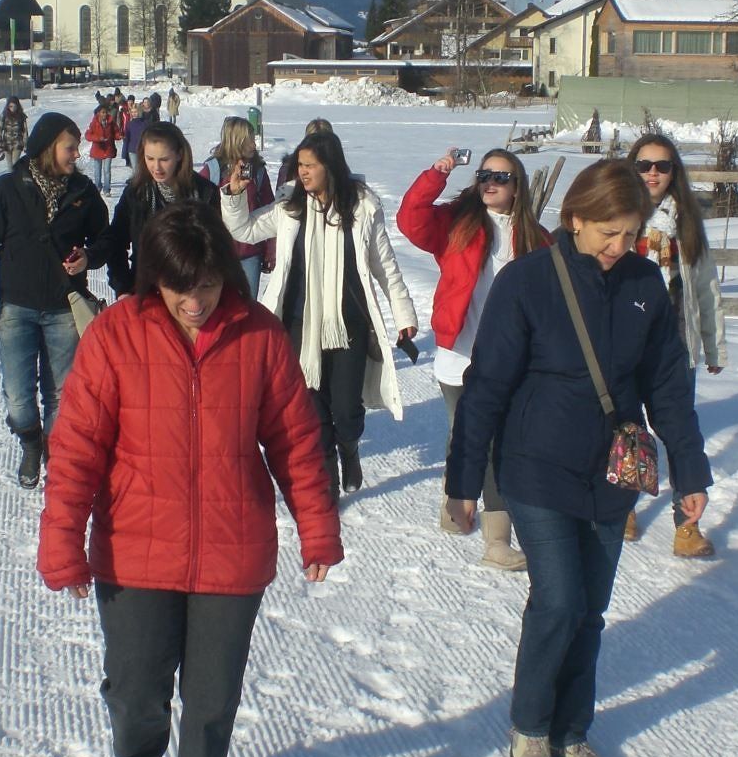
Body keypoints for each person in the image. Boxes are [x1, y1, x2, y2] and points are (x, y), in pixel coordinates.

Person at [37, 203, 341, 757]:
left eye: (207, 285)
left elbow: (295, 440)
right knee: (137, 685)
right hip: (135, 547)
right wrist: (63, 542)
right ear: (155, 279)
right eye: (180, 288)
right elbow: (76, 447)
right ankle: (139, 756)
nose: (196, 302)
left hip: (233, 549)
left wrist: (318, 527)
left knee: (211, 700)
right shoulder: (116, 335)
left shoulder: (259, 335)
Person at [444, 159, 712, 757]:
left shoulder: (645, 284)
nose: (619, 247)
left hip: (611, 472)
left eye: (630, 233)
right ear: (574, 220)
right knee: (560, 599)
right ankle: (532, 723)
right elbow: (486, 387)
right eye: (607, 233)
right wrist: (463, 483)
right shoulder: (528, 282)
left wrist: (690, 472)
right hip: (535, 466)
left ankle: (572, 728)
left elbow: (668, 386)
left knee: (590, 608)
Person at [221, 130, 417, 495]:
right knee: (312, 406)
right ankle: (327, 479)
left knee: (346, 409)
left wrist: (404, 315)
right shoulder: (290, 206)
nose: (303, 172)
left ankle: (349, 446)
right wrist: (234, 195)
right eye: (300, 165)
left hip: (348, 323)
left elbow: (385, 267)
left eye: (310, 165)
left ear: (331, 166)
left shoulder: (362, 207)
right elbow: (244, 229)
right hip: (299, 324)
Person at [398, 147, 549, 572]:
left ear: (517, 186)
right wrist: (437, 172)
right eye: (484, 175)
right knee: (463, 435)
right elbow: (410, 219)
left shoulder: (537, 239)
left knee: (499, 442)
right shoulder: (457, 225)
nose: (490, 183)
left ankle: (497, 540)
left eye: (501, 177)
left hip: (509, 359)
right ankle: (456, 500)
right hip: (458, 354)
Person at [0, 113, 110, 488]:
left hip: (64, 308)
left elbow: (106, 239)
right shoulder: (8, 189)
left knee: (60, 394)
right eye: (70, 148)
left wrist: (89, 257)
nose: (76, 154)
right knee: (18, 398)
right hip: (17, 308)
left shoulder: (83, 192)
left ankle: (55, 456)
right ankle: (31, 442)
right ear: (48, 148)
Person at [626, 130, 728, 557]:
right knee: (625, 430)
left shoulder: (686, 224)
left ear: (674, 172)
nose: (653, 173)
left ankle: (687, 526)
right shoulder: (617, 214)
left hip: (675, 344)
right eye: (644, 165)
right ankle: (624, 506)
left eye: (662, 165)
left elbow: (705, 288)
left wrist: (714, 346)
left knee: (682, 434)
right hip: (625, 342)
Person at [100, 121, 220, 298]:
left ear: (179, 155)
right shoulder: (136, 193)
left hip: (192, 293)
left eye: (164, 160)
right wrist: (123, 288)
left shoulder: (205, 192)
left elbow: (217, 249)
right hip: (147, 291)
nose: (156, 167)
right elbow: (116, 242)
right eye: (150, 159)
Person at [196, 116, 275, 298]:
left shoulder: (257, 171)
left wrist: (270, 249)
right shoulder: (213, 170)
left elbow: (269, 210)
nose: (254, 145)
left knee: (247, 305)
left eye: (254, 139)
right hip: (218, 253)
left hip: (250, 251)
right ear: (236, 141)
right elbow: (195, 208)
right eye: (249, 140)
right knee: (218, 304)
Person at [85, 95, 118, 195]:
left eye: (106, 112)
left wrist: (119, 135)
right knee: (97, 171)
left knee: (107, 170)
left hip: (108, 148)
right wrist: (98, 138)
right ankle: (98, 187)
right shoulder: (94, 123)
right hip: (97, 149)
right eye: (103, 112)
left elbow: (115, 132)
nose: (105, 114)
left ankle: (107, 189)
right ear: (98, 113)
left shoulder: (111, 121)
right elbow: (88, 135)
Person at [0, 95, 28, 167]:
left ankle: (15, 174)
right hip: (6, 143)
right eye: (11, 106)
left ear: (17, 106)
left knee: (15, 163)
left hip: (17, 143)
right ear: (8, 106)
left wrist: (26, 144)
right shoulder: (4, 115)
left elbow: (25, 131)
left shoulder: (21, 116)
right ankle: (11, 174)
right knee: (9, 165)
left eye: (14, 106)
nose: (12, 108)